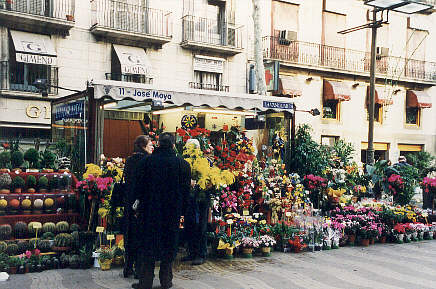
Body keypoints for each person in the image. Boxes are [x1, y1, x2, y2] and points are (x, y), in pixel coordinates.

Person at [133, 132, 191, 289]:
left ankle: (145, 281)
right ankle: (166, 280)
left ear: (158, 144)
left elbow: (137, 189)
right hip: (172, 213)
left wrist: (138, 208)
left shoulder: (146, 162)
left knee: (148, 246)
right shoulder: (183, 165)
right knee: (169, 245)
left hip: (149, 212)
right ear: (173, 145)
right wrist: (183, 213)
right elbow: (186, 193)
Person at [122, 135, 154, 278]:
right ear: (143, 146)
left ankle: (127, 267)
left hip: (129, 202)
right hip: (142, 204)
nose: (152, 147)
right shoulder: (147, 161)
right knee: (141, 237)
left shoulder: (129, 160)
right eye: (150, 145)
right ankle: (139, 270)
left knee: (130, 235)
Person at [182, 139, 209, 266]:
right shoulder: (184, 162)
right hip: (189, 200)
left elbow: (210, 180)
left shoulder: (206, 162)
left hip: (201, 200)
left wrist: (199, 184)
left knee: (201, 227)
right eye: (188, 148)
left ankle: (201, 254)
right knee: (189, 225)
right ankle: (191, 252)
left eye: (192, 148)